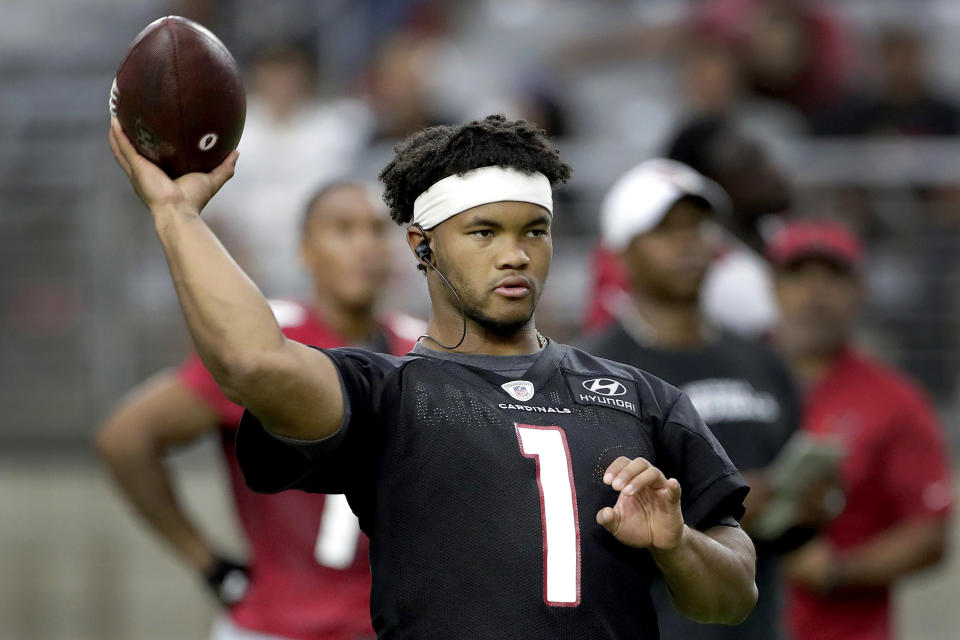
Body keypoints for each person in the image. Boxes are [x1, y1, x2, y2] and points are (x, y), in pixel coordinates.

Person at [108, 113, 758, 638]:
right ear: (422, 246)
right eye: (483, 232)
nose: (514, 254)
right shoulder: (387, 393)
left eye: (535, 230)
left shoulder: (641, 396)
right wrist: (177, 216)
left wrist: (676, 546)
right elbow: (252, 362)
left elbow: (732, 598)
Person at [96, 181, 421, 640]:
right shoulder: (268, 343)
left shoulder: (422, 346)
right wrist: (207, 562)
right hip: (277, 624)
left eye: (374, 230)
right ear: (306, 250)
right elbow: (126, 438)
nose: (364, 246)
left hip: (389, 625)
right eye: (343, 230)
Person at [583, 159, 804, 639]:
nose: (688, 243)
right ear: (621, 252)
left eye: (697, 226)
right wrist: (729, 502)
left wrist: (811, 502)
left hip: (757, 619)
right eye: (665, 230)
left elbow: (798, 496)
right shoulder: (594, 372)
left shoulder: (762, 361)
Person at [769, 220, 954, 640]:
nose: (814, 295)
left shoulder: (895, 400)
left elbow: (929, 532)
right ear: (774, 285)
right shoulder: (735, 381)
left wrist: (838, 570)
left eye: (832, 276)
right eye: (798, 274)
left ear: (859, 290)